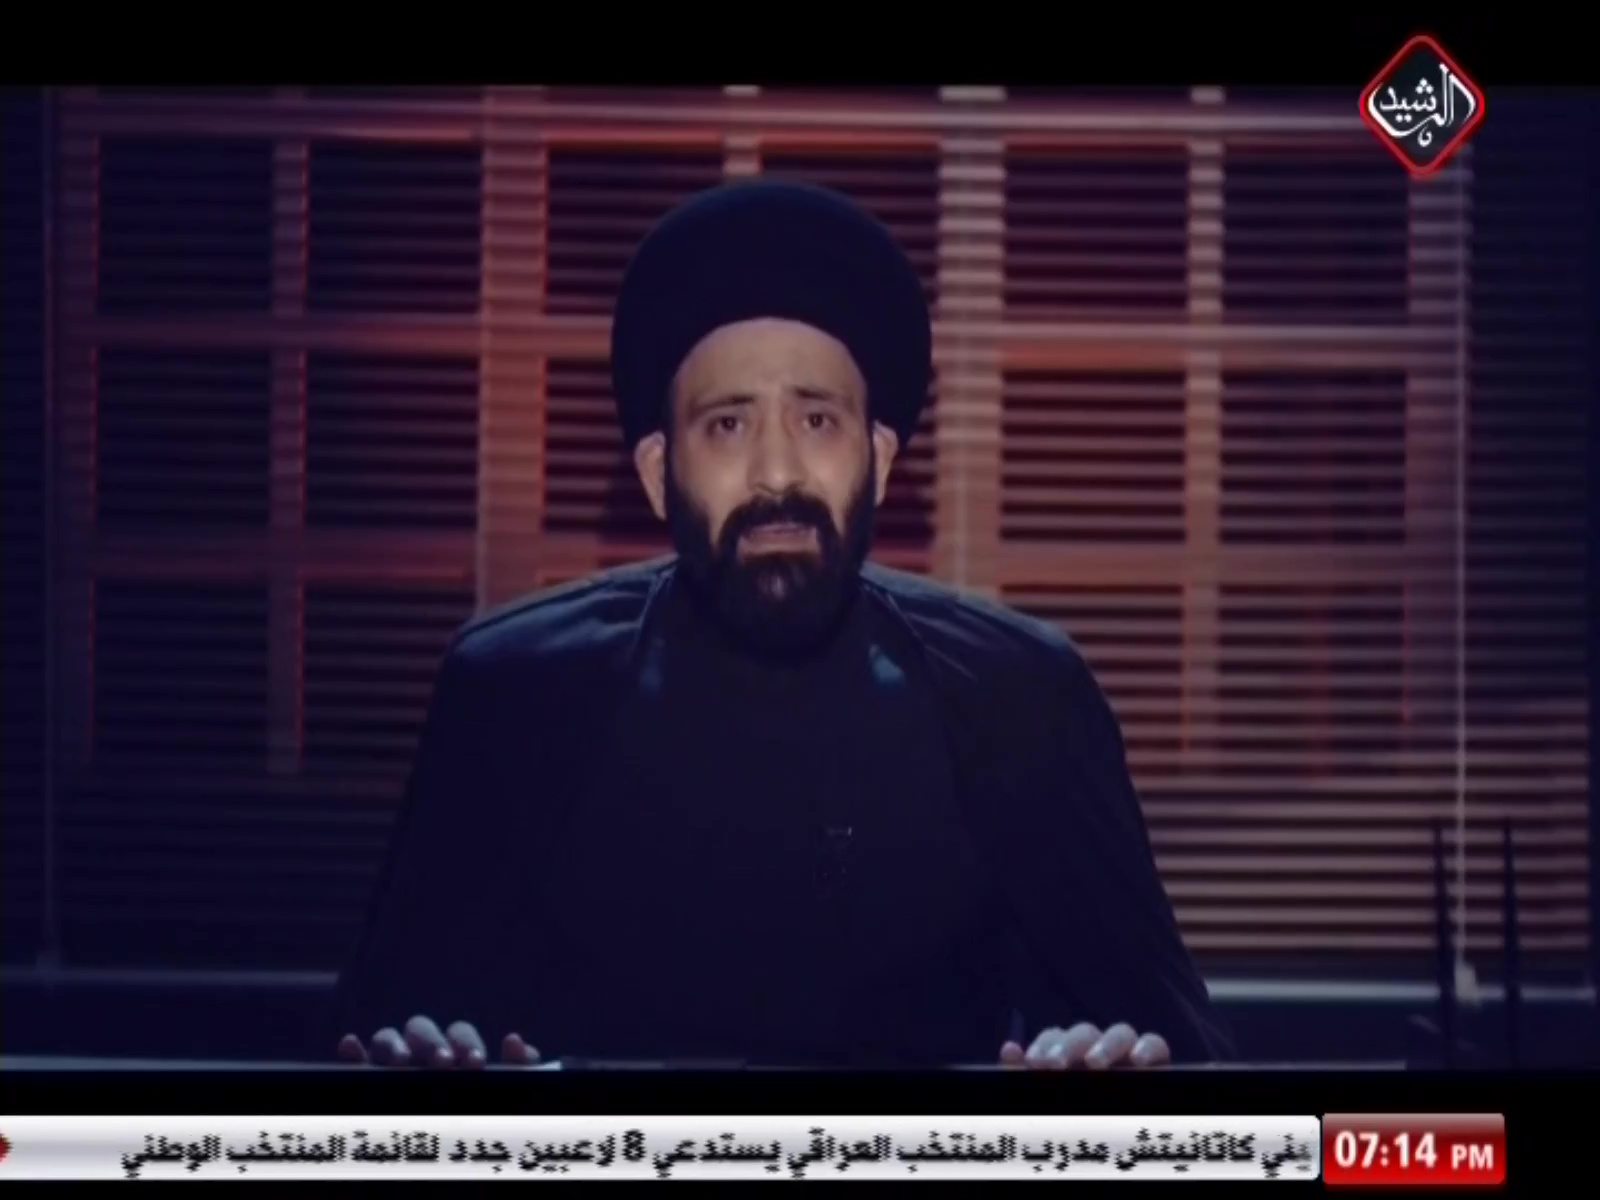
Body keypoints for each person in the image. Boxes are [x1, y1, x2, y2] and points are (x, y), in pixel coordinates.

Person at [335, 178, 1231, 1071]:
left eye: (817, 419)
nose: (776, 472)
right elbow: (373, 1053)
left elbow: (1188, 1066)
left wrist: (1112, 1064)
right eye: (727, 425)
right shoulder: (517, 695)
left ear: (879, 459)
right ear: (656, 473)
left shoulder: (1018, 697)